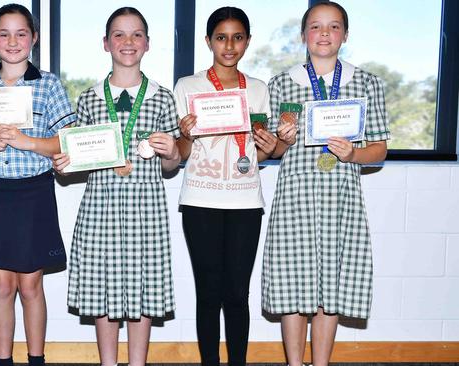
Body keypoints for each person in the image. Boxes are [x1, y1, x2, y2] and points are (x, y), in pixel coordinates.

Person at [261, 2, 390, 365]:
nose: (324, 34)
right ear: (303, 35)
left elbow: (379, 150)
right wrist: (283, 139)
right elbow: (273, 150)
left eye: (334, 27)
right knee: (292, 284)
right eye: (316, 27)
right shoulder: (282, 82)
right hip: (295, 199)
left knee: (330, 286)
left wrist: (353, 155)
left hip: (341, 200)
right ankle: (294, 363)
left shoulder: (367, 83)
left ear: (345, 36)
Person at [52, 7, 180, 366]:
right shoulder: (89, 99)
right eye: (119, 35)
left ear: (148, 44)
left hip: (146, 209)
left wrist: (172, 152)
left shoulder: (162, 97)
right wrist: (64, 164)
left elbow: (171, 165)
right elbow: (77, 159)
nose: (128, 42)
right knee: (102, 290)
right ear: (106, 43)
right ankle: (107, 362)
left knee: (142, 289)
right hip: (100, 209)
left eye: (136, 34)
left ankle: (138, 362)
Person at [0, 4, 75, 366]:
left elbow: (66, 142)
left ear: (34, 39)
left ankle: (36, 359)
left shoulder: (49, 84)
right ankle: (3, 360)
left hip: (33, 192)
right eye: (4, 34)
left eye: (21, 33)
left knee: (31, 286)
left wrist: (29, 142)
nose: (13, 41)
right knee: (2, 286)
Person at [173, 7, 277, 366]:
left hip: (246, 200)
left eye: (237, 37)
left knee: (236, 294)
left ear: (247, 41)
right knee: (209, 293)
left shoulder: (259, 90)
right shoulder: (187, 87)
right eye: (221, 37)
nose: (229, 45)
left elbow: (266, 151)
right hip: (200, 198)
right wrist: (184, 134)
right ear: (208, 42)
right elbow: (182, 152)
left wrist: (274, 144)